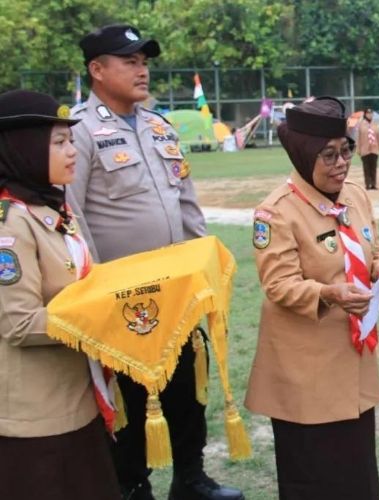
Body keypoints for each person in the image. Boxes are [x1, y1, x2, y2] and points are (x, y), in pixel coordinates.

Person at [68, 24, 243, 500]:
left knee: (187, 387)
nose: (141, 69)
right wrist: (95, 291)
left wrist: (202, 269)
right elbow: (75, 215)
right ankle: (131, 485)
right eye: (129, 61)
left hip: (177, 291)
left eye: (144, 61)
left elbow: (186, 203)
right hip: (122, 300)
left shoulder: (159, 126)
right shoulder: (80, 132)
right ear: (97, 70)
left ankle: (190, 477)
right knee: (129, 395)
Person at [244, 97, 379, 500]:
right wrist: (330, 293)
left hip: (353, 362)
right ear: (302, 154)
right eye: (328, 155)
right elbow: (278, 285)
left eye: (345, 151)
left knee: (357, 472)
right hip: (305, 371)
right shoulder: (277, 212)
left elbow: (373, 247)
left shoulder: (355, 196)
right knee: (313, 476)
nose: (341, 163)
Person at [0, 90, 120, 499]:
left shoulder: (51, 208)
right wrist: (104, 320)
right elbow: (19, 323)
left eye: (71, 140)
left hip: (78, 399)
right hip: (39, 418)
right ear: (24, 148)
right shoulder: (11, 225)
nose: (72, 151)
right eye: (59, 142)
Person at [357, 107, 379, 190]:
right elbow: (359, 138)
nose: (370, 115)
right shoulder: (361, 125)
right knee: (366, 168)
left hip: (374, 149)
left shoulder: (375, 125)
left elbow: (378, 137)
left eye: (371, 114)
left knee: (373, 168)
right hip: (365, 150)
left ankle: (373, 184)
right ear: (365, 114)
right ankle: (367, 184)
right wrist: (358, 149)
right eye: (368, 114)